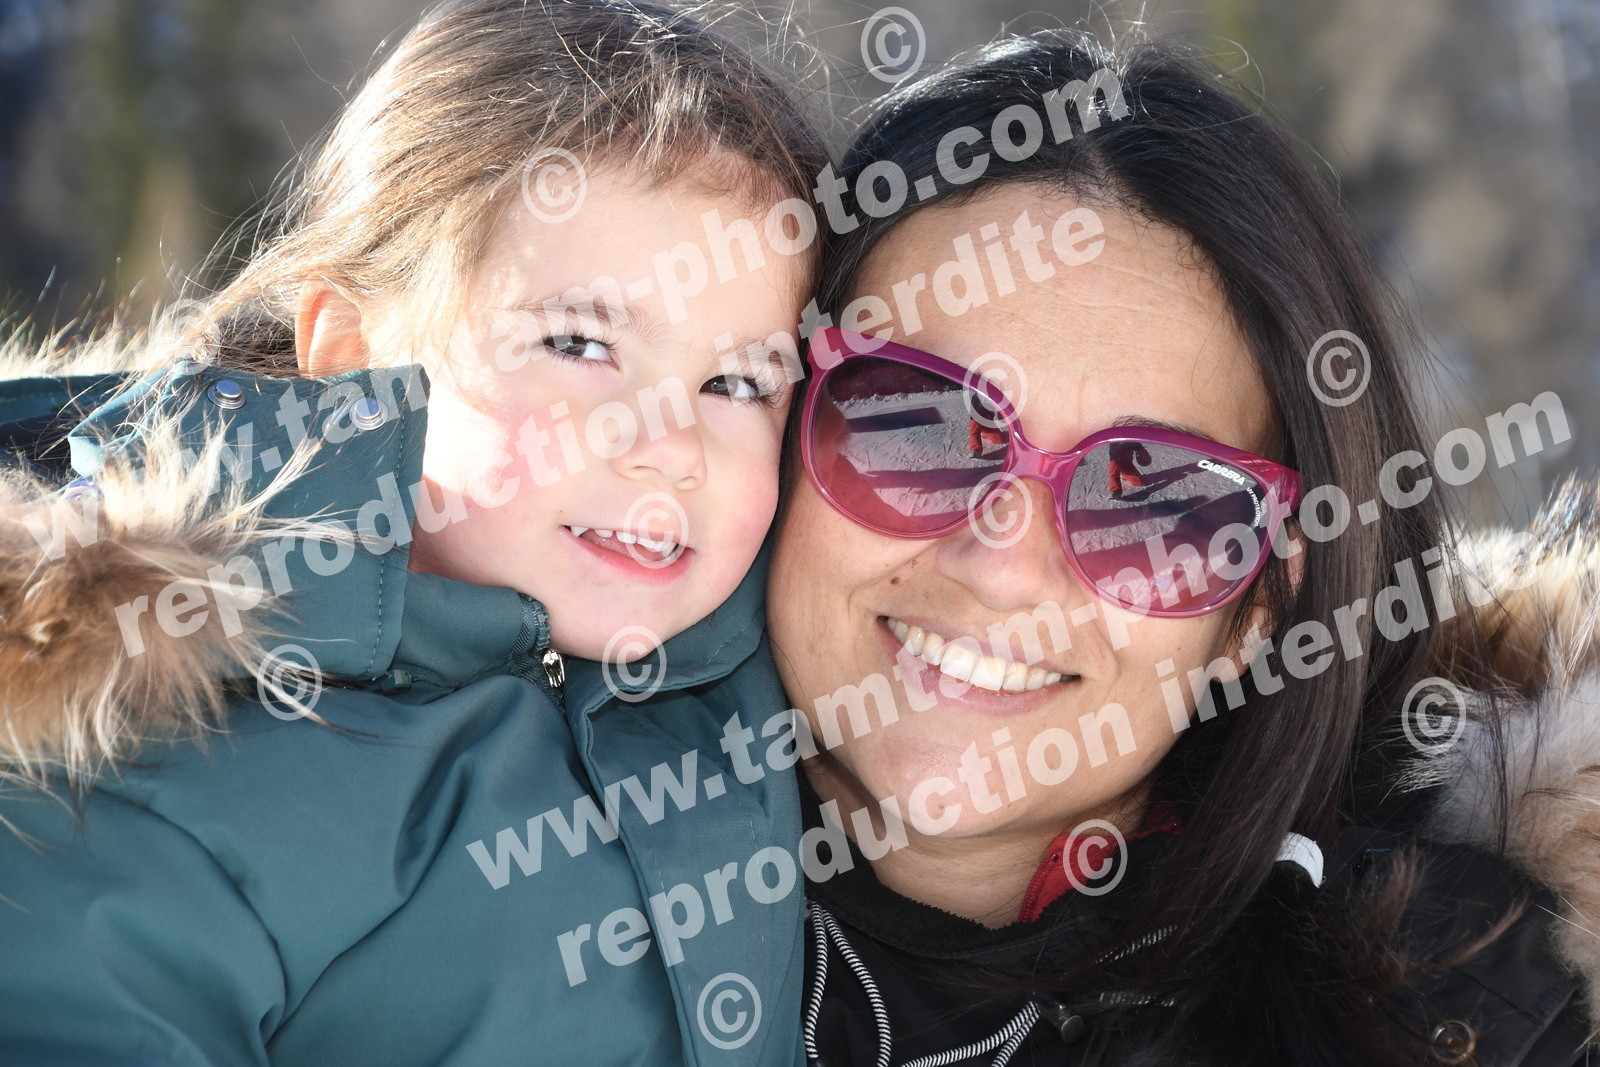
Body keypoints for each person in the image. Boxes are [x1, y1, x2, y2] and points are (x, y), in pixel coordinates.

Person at [0, 0, 825, 1062]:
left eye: (738, 382)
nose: (670, 446)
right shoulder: (157, 740)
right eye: (578, 344)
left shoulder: (768, 656)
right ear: (352, 354)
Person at [767, 33, 1599, 1066]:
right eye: (917, 427)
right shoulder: (572, 897)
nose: (1003, 563)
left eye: (1157, 504)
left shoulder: (1490, 1023)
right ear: (770, 421)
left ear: (1259, 607)